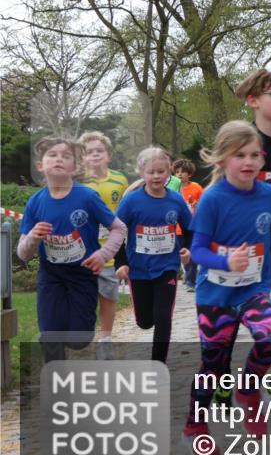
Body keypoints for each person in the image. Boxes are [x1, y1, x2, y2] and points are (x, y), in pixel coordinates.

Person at [183, 121, 271, 455]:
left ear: (262, 159)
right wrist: (225, 261)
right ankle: (195, 426)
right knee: (213, 366)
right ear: (222, 159)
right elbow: (198, 251)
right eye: (239, 155)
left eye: (254, 155)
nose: (248, 162)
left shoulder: (269, 194)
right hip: (215, 296)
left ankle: (248, 390)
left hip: (253, 290)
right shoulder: (212, 199)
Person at [17, 137, 126, 362]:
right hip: (51, 275)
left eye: (66, 156)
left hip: (82, 273)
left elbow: (118, 228)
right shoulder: (35, 202)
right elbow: (23, 253)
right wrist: (32, 238)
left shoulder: (87, 197)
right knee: (50, 335)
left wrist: (103, 254)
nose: (59, 159)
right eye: (52, 155)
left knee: (79, 339)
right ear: (40, 165)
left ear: (74, 167)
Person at [115, 147, 193, 363]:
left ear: (169, 172)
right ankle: (144, 320)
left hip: (167, 266)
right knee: (145, 322)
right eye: (151, 172)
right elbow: (117, 232)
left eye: (161, 171)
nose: (156, 176)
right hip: (138, 268)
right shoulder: (131, 201)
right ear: (142, 173)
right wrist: (120, 262)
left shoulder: (176, 200)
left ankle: (158, 364)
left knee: (163, 316)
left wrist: (188, 249)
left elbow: (190, 229)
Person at [78, 131, 130, 358]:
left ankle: (105, 339)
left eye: (100, 150)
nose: (95, 155)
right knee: (84, 298)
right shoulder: (77, 181)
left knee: (108, 295)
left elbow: (125, 211)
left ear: (109, 155)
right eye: (89, 152)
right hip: (83, 249)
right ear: (82, 157)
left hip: (111, 247)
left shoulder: (120, 180)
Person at [172, 158, 203, 293]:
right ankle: (171, 280)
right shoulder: (171, 188)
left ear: (189, 174)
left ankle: (191, 282)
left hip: (191, 228)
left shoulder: (196, 188)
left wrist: (197, 205)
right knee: (174, 256)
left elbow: (204, 205)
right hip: (175, 229)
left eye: (183, 172)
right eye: (177, 172)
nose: (179, 174)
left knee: (191, 255)